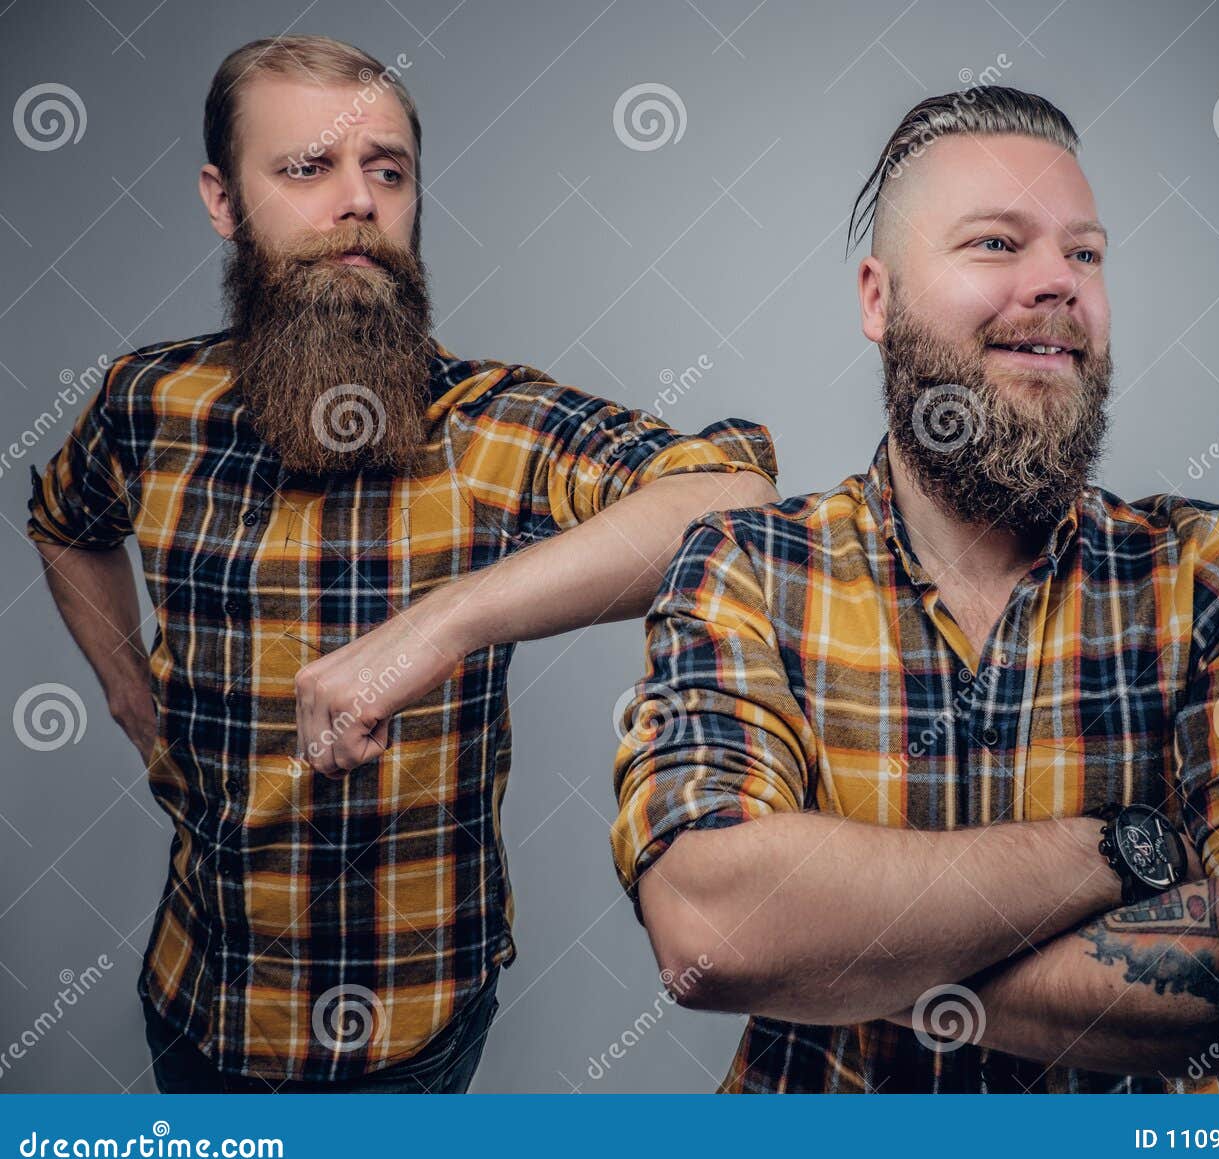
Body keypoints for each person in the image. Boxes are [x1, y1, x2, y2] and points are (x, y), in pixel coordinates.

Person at [25, 34, 778, 1092]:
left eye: (387, 170)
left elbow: (732, 498)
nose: (359, 203)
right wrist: (123, 686)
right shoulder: (147, 403)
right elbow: (64, 516)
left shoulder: (488, 424)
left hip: (413, 1026)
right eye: (306, 169)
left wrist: (440, 623)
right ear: (221, 198)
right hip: (199, 995)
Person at [611, 86, 1219, 1093]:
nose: (1057, 284)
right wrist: (1131, 848)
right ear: (877, 297)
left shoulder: (1214, 577)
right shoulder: (746, 567)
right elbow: (710, 926)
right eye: (995, 243)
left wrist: (831, 953)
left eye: (1084, 253)